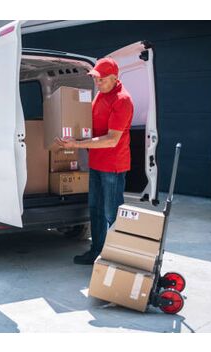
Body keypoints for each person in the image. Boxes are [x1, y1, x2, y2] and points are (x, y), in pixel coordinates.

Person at [55, 57, 134, 265]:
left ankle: (118, 259)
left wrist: (77, 145)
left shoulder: (122, 100)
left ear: (114, 78)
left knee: (112, 212)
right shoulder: (101, 95)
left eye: (101, 80)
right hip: (97, 163)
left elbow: (111, 140)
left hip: (113, 166)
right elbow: (84, 119)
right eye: (96, 79)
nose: (97, 84)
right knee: (95, 209)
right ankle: (96, 251)